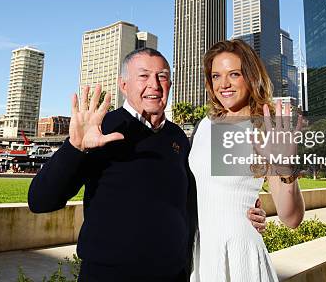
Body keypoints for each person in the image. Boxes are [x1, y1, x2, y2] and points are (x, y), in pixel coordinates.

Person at [28, 48, 267, 282]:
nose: (154, 84)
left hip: (175, 274)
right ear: (124, 85)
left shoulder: (178, 138)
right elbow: (40, 201)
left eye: (162, 76)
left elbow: (200, 193)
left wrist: (246, 209)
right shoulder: (102, 128)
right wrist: (75, 148)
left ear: (170, 85)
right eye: (143, 76)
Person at [190, 39, 305, 282]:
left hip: (240, 252)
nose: (224, 84)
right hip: (202, 253)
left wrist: (285, 168)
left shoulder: (265, 129)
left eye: (234, 74)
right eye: (216, 76)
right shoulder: (204, 126)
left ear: (251, 77)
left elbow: (291, 217)